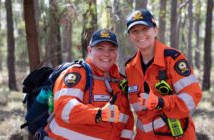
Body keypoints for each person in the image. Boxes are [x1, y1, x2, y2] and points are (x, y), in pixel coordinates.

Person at [124, 9, 202, 140]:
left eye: (145, 28)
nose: (140, 34)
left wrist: (160, 102)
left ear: (155, 30)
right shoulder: (130, 67)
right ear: (130, 36)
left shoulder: (173, 59)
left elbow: (192, 97)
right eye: (135, 31)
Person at [44, 29, 134, 139]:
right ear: (90, 50)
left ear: (117, 52)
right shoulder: (77, 72)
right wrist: (98, 114)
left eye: (111, 49)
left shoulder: (120, 83)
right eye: (100, 48)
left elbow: (126, 121)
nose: (106, 54)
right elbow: (64, 108)